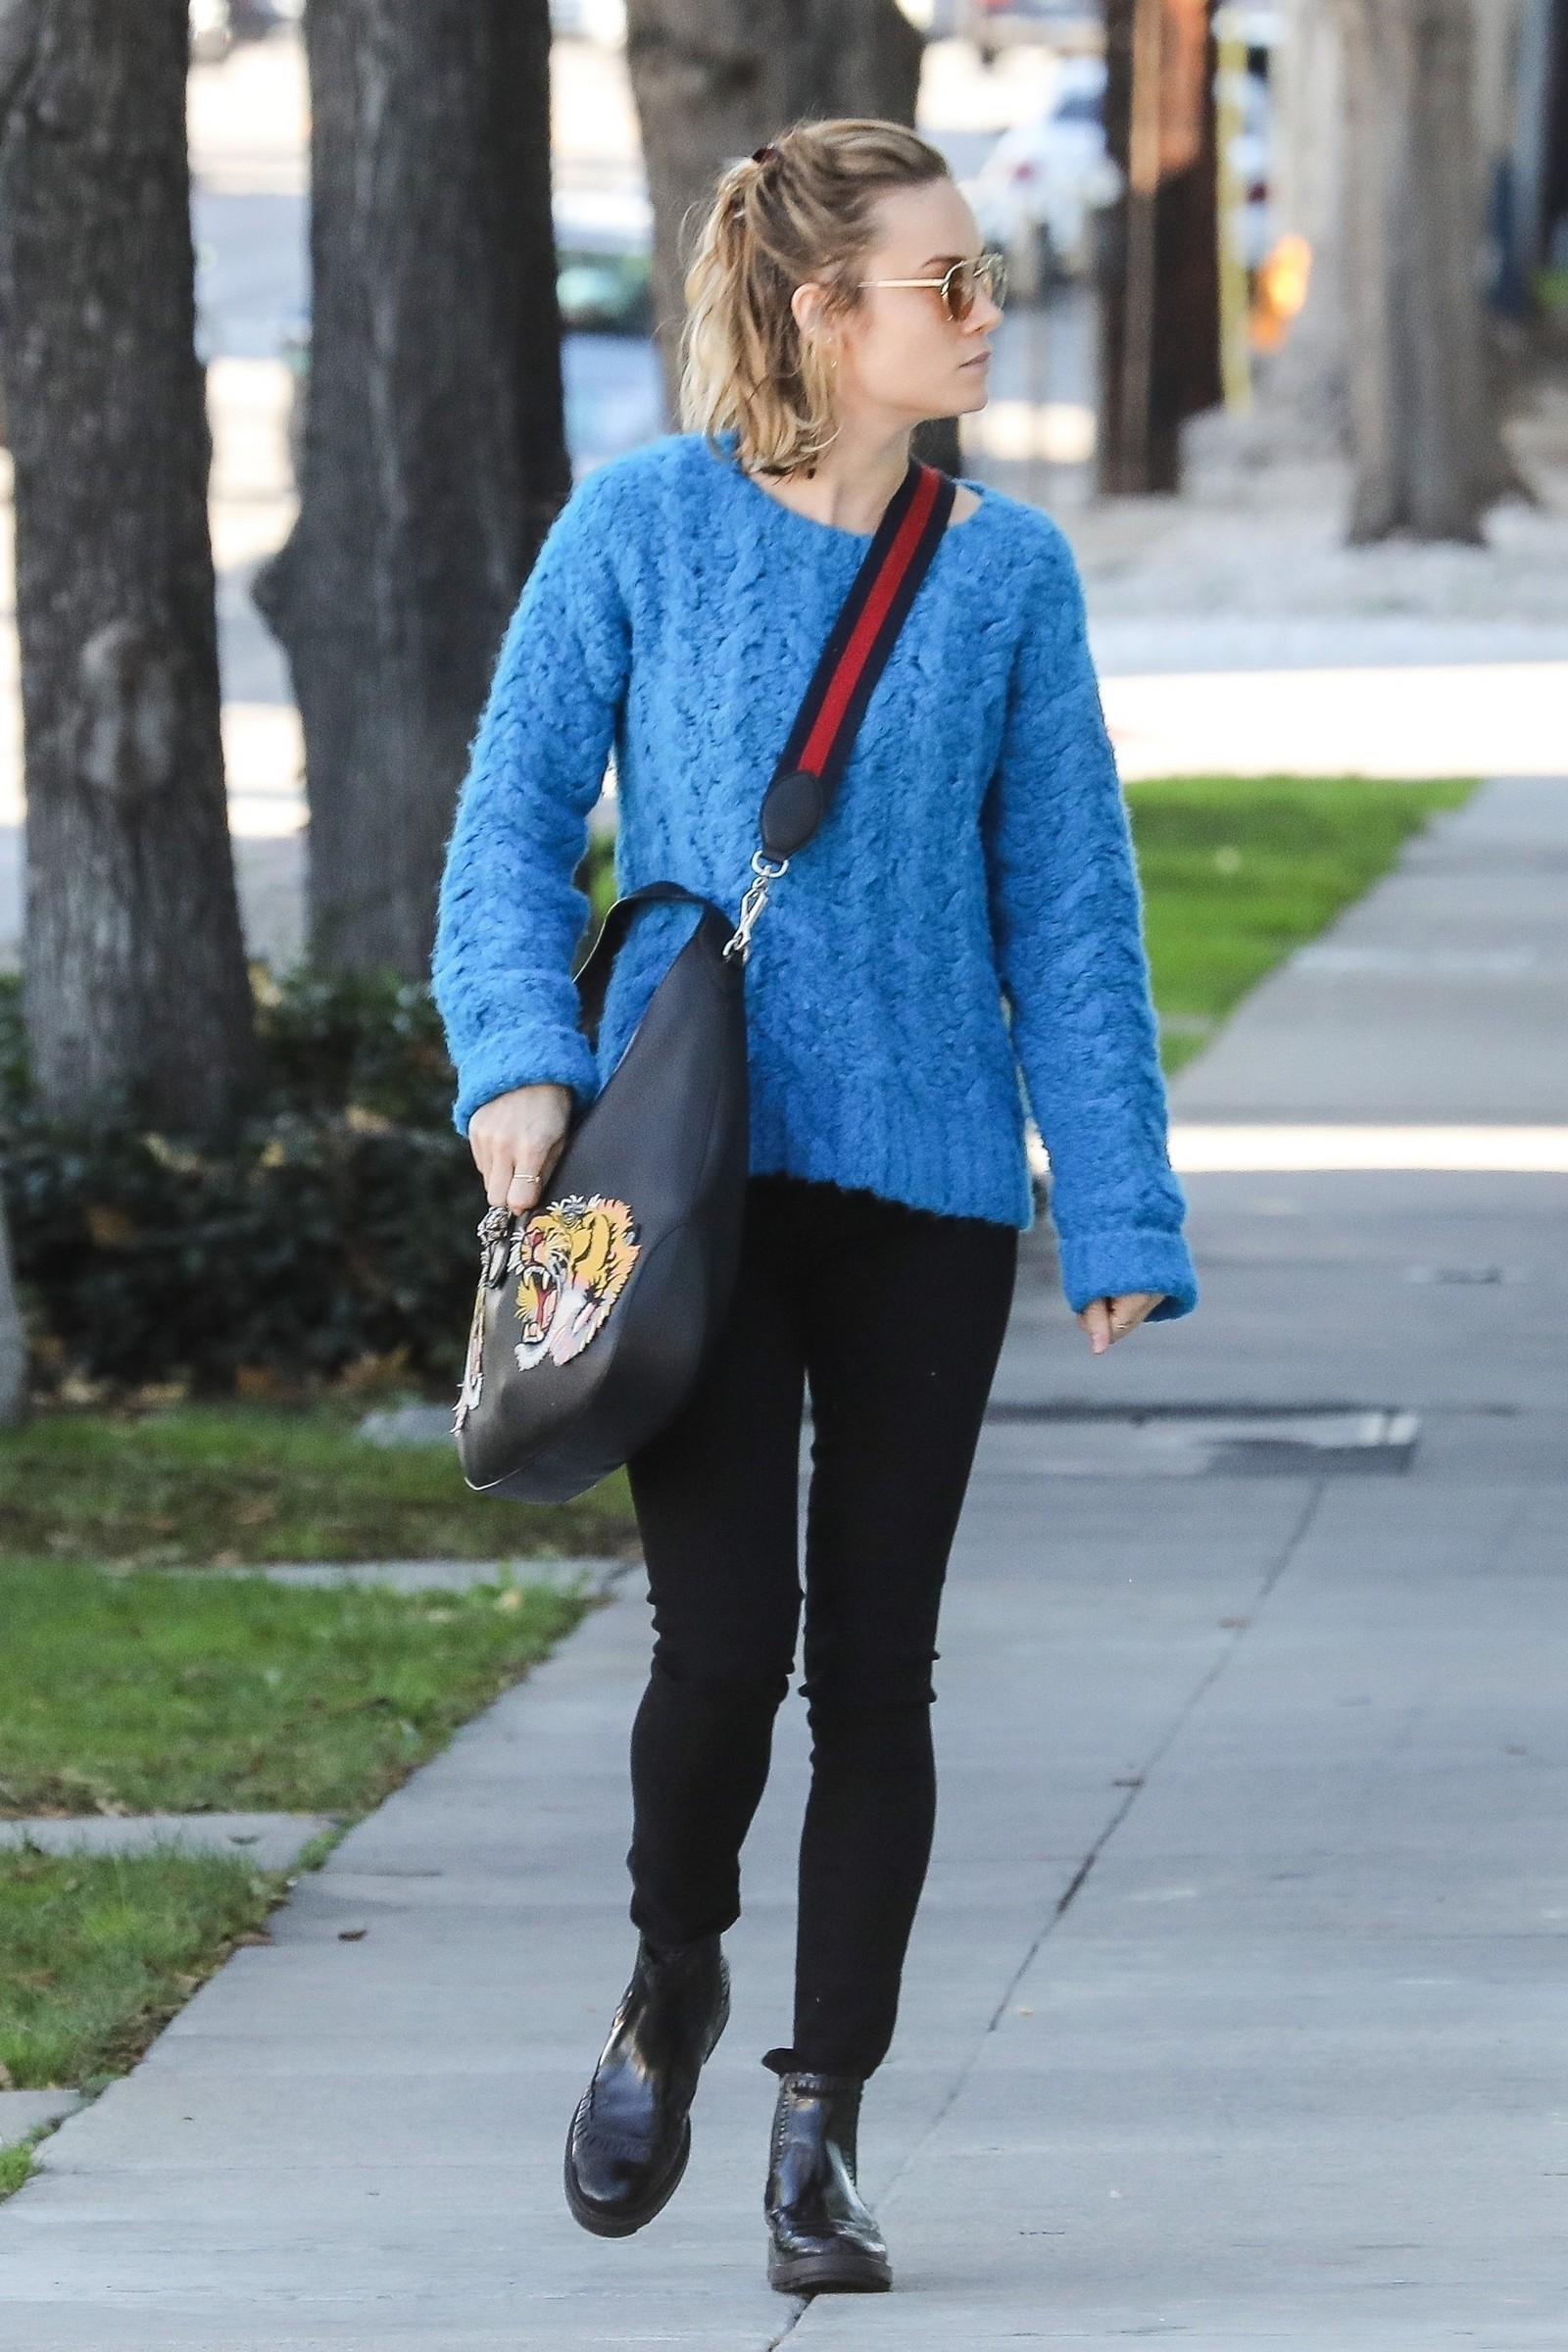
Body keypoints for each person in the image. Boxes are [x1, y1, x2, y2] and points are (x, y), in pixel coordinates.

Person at [432, 117, 1197, 2297]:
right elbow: (509, 828)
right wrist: (519, 1062)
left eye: (980, 275)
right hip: (690, 1187)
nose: (983, 309)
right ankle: (670, 1975)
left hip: (929, 1195)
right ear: (819, 311)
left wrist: (1115, 1205)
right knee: (722, 1650)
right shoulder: (639, 528)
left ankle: (817, 2124)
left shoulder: (1006, 576)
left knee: (877, 1668)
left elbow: (1069, 908)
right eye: (947, 282)